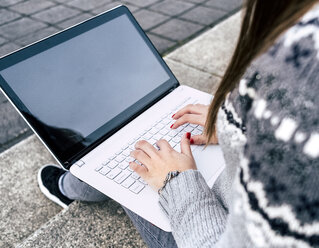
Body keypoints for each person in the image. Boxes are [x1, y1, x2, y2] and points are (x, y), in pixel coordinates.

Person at [38, 0, 319, 247]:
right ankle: (74, 182)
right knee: (124, 143)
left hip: (215, 225)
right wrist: (243, 124)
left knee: (123, 154)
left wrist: (177, 183)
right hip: (241, 189)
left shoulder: (303, 68)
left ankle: (68, 187)